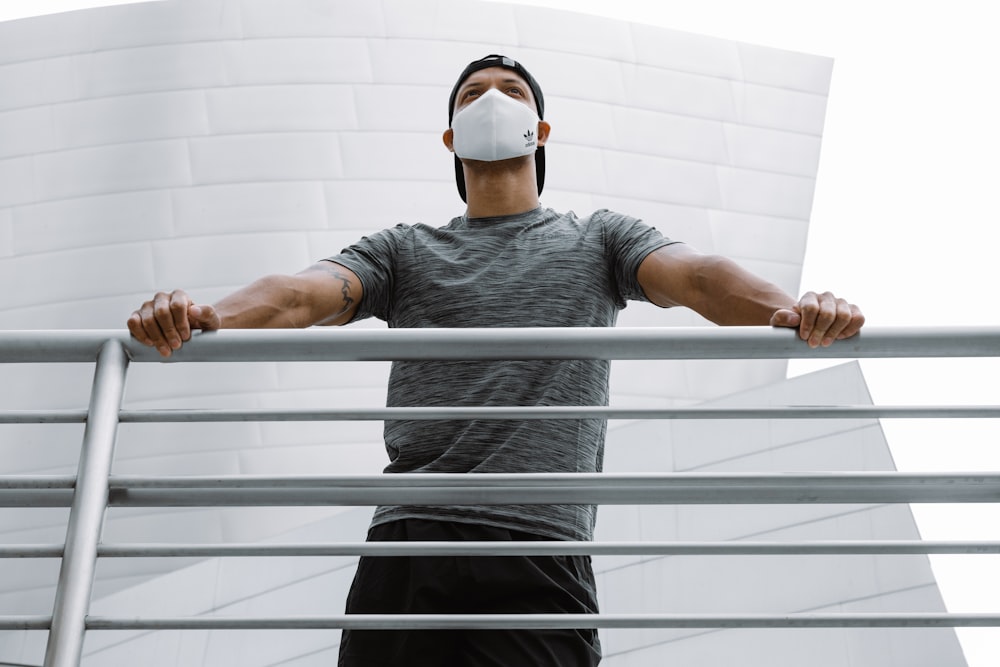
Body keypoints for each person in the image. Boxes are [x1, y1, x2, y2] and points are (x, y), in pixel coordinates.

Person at [128, 54, 864, 666]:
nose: (490, 100)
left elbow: (698, 276)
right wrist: (210, 316)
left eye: (509, 91)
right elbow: (301, 294)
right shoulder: (405, 249)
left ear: (538, 131)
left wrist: (787, 310)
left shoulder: (600, 239)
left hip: (538, 547)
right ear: (450, 137)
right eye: (472, 94)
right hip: (410, 542)